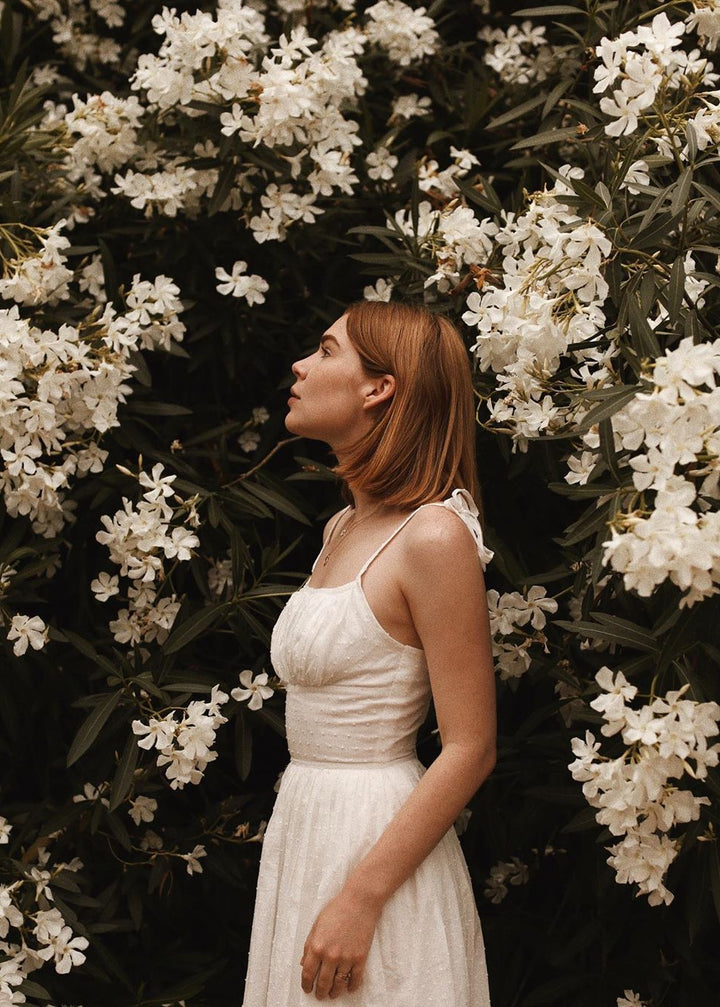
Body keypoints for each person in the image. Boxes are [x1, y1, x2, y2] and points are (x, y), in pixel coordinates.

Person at [241, 300, 496, 1006]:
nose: (300, 365)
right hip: (307, 828)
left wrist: (361, 897)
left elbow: (470, 746)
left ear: (379, 387)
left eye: (326, 350)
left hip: (376, 846)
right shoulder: (343, 526)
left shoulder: (434, 536)